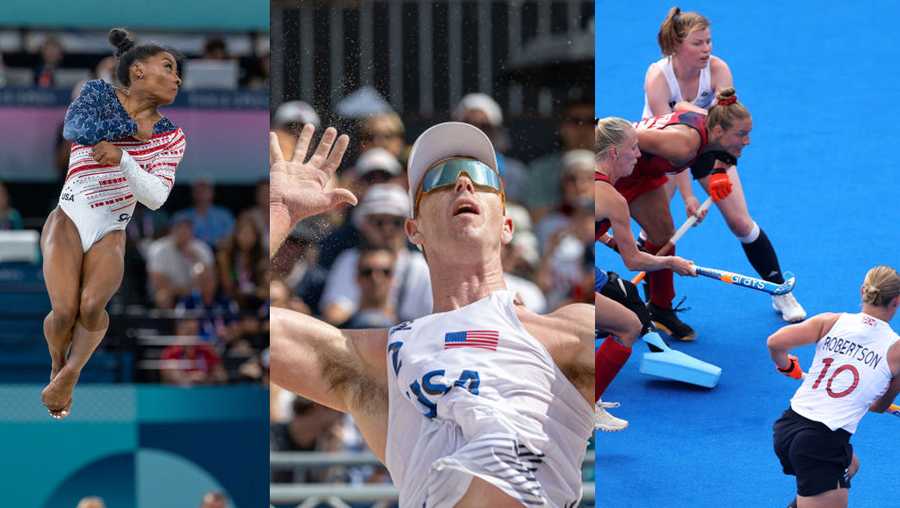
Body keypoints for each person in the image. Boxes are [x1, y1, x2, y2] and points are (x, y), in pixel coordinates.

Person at [270, 122, 594, 507]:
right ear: (414, 229)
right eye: (439, 179)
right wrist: (279, 213)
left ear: (507, 224)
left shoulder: (567, 332)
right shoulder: (379, 361)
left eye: (481, 176)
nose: (463, 184)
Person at [39, 28, 184, 418]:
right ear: (137, 72)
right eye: (168, 68)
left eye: (178, 72)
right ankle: (57, 361)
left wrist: (124, 158)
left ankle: (70, 373)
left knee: (91, 307)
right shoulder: (93, 93)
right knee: (64, 311)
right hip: (69, 215)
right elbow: (77, 132)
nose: (177, 78)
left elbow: (155, 197)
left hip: (112, 225)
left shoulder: (173, 137)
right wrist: (129, 130)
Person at [643, 7, 806, 323]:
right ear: (677, 46)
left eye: (709, 42)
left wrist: (688, 108)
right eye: (698, 43)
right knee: (657, 232)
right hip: (661, 150)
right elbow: (674, 150)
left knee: (740, 222)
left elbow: (723, 126)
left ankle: (780, 290)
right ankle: (656, 306)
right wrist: (689, 197)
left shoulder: (718, 71)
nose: (707, 49)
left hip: (709, 144)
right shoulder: (657, 79)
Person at [615, 87, 752, 341]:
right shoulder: (682, 144)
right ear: (719, 132)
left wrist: (720, 171)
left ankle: (660, 308)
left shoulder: (711, 119)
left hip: (644, 174)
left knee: (663, 235)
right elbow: (624, 138)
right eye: (741, 134)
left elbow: (680, 107)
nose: (747, 141)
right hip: (616, 172)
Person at [594, 116, 696, 430]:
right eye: (633, 148)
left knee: (628, 296)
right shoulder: (613, 198)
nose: (639, 155)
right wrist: (670, 263)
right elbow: (635, 261)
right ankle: (583, 405)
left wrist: (608, 240)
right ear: (613, 153)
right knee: (629, 326)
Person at [768, 266, 900, 508]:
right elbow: (878, 407)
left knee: (850, 465)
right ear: (897, 302)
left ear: (863, 291)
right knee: (831, 472)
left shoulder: (830, 321)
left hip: (787, 428)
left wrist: (788, 367)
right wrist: (892, 387)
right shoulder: (896, 350)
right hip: (821, 444)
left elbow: (775, 343)